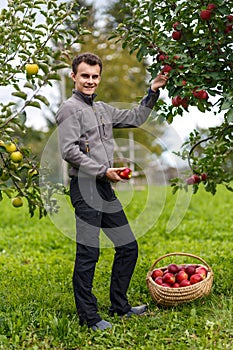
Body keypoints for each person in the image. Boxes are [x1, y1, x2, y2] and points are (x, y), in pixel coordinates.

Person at [56, 52, 168, 331]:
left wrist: (152, 91)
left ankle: (120, 306)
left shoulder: (103, 109)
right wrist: (101, 171)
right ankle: (89, 317)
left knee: (128, 247)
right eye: (85, 76)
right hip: (84, 187)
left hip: (104, 187)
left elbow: (135, 117)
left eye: (94, 76)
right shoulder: (69, 109)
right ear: (74, 77)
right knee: (89, 253)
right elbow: (69, 150)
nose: (90, 81)